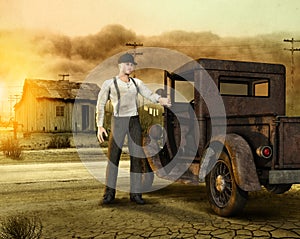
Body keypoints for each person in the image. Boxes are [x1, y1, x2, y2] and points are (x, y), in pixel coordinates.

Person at [96, 53, 171, 205]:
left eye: (132, 64)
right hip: (118, 121)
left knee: (136, 157)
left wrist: (160, 100)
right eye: (127, 64)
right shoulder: (109, 83)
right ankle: (109, 194)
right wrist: (100, 126)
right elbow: (100, 104)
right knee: (113, 158)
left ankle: (136, 194)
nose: (130, 67)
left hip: (134, 121)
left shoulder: (137, 83)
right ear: (120, 66)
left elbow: (149, 94)